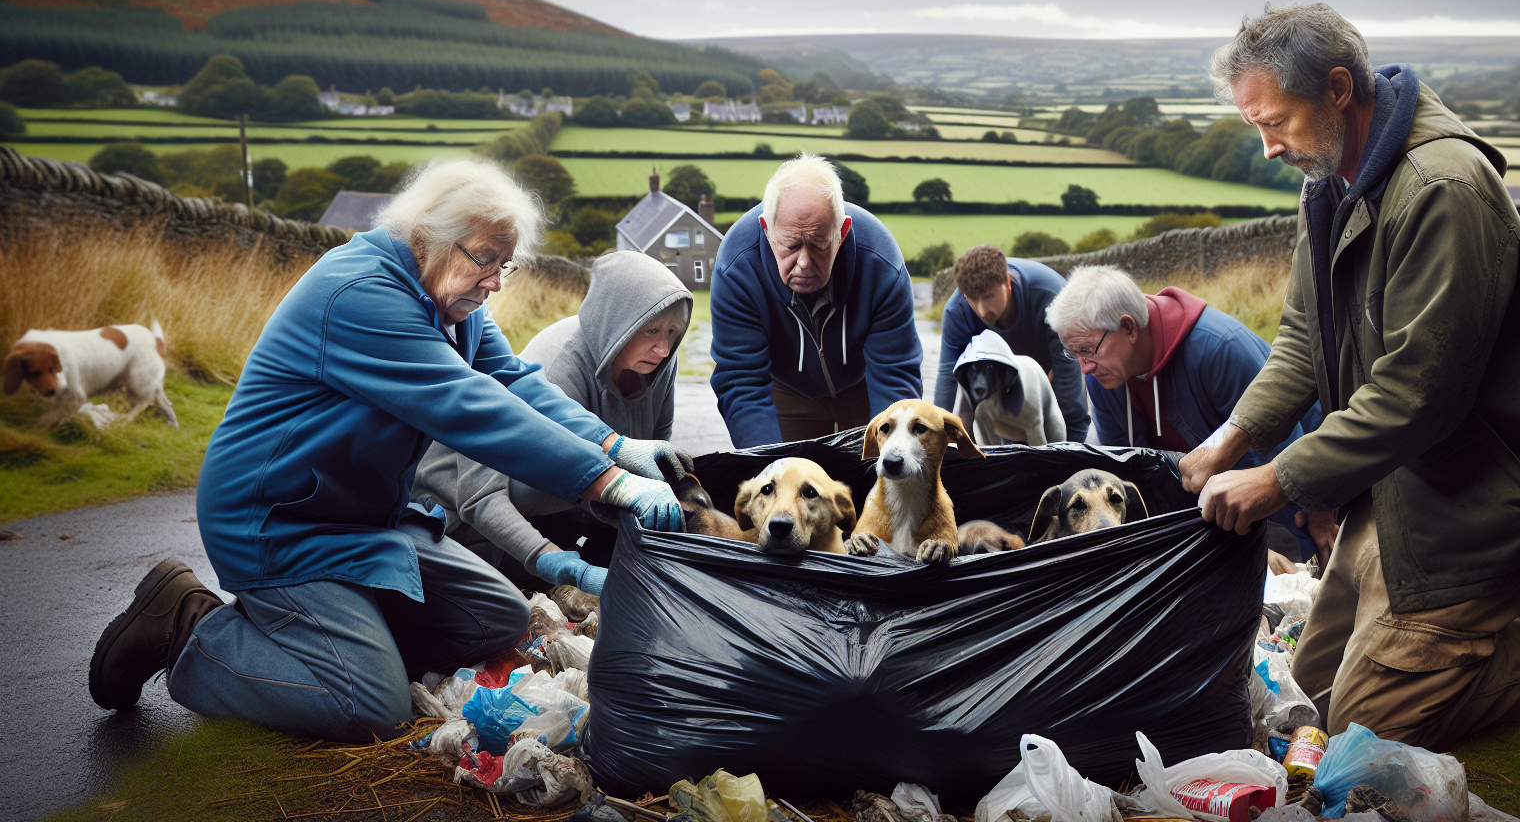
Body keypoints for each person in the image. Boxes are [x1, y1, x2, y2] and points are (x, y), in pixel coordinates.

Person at [87, 161, 691, 743]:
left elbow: (512, 380)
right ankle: (189, 628)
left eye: (506, 264)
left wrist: (615, 443)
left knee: (498, 620)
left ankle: (331, 648)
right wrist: (606, 480)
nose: (496, 282)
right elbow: (468, 405)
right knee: (371, 708)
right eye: (485, 259)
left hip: (366, 518)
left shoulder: (455, 306)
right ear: (426, 236)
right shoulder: (358, 293)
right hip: (279, 521)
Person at [1181, 2, 1520, 748]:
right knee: (1308, 706)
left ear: (1336, 88)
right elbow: (1301, 338)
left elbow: (1419, 392)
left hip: (1484, 494)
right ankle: (1481, 631)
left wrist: (1279, 480)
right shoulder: (1328, 178)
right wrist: (1227, 441)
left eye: (1276, 122)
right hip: (1401, 485)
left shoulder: (1442, 188)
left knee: (1369, 729)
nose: (1267, 148)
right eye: (1255, 127)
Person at [411, 250, 693, 598]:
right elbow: (481, 495)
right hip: (447, 519)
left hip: (559, 499)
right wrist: (554, 563)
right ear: (618, 323)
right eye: (651, 330)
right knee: (503, 614)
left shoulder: (493, 350)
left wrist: (626, 453)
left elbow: (526, 385)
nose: (664, 348)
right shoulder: (546, 369)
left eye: (673, 333)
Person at [1044, 264, 1330, 562]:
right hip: (1206, 512)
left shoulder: (1221, 348)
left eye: (1088, 350)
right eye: (1072, 352)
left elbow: (1288, 452)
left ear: (1128, 327)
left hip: (1293, 501)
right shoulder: (1102, 376)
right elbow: (1125, 469)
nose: (1083, 368)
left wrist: (1320, 515)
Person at [710, 154, 923, 446]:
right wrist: (773, 471)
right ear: (766, 229)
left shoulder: (881, 265)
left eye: (819, 244)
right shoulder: (736, 268)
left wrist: (891, 466)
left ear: (842, 232)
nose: (804, 263)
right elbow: (742, 384)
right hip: (786, 390)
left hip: (864, 386)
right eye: (791, 245)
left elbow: (895, 378)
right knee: (784, 480)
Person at [932, 244, 1091, 443]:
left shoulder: (1050, 296)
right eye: (972, 299)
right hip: (1000, 383)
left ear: (1007, 283)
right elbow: (948, 376)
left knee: (1056, 430)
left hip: (1048, 367)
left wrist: (1072, 447)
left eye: (989, 296)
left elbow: (1067, 370)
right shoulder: (957, 311)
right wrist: (940, 439)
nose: (982, 310)